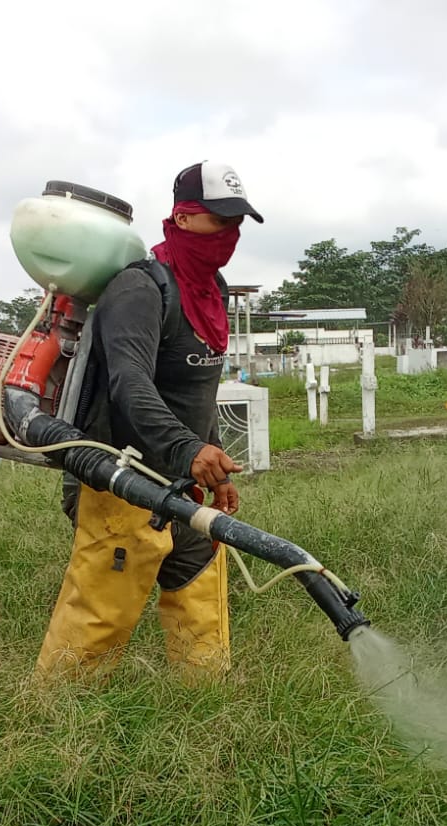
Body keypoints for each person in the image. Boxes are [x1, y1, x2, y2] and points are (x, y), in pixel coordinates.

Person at [35, 161, 264, 679]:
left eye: (238, 222)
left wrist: (213, 464)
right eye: (220, 220)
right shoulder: (140, 289)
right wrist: (189, 449)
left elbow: (197, 393)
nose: (231, 233)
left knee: (201, 597)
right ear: (183, 217)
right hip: (119, 479)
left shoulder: (213, 291)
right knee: (99, 615)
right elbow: (129, 386)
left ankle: (205, 701)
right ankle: (57, 711)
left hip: (183, 484)